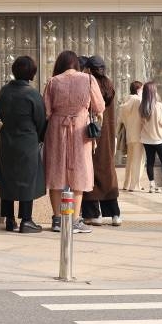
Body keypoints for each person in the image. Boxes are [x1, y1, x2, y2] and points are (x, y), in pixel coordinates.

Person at [42, 50, 105, 234]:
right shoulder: (88, 79)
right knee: (80, 171)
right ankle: (75, 220)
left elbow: (46, 111)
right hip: (80, 129)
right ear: (76, 64)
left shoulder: (53, 81)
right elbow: (100, 106)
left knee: (56, 172)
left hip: (57, 129)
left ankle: (57, 220)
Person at [0, 55, 46, 233]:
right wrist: (38, 137)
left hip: (7, 140)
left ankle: (9, 219)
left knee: (7, 178)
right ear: (32, 73)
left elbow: (1, 113)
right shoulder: (33, 94)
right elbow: (41, 120)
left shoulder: (4, 91)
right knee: (27, 180)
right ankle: (26, 220)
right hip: (27, 141)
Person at [81, 55, 121, 226]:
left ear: (89, 69)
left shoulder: (89, 83)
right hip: (107, 134)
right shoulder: (109, 84)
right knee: (107, 171)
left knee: (90, 172)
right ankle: (115, 213)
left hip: (91, 133)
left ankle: (93, 214)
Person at [139, 82, 162, 194]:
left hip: (146, 138)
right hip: (159, 138)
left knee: (150, 162)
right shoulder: (160, 106)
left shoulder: (141, 107)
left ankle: (152, 185)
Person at [119, 80, 145, 191]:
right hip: (139, 134)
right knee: (139, 160)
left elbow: (121, 119)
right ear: (138, 89)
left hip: (129, 134)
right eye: (142, 89)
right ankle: (135, 185)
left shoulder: (126, 100)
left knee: (130, 160)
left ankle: (127, 183)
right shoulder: (138, 100)